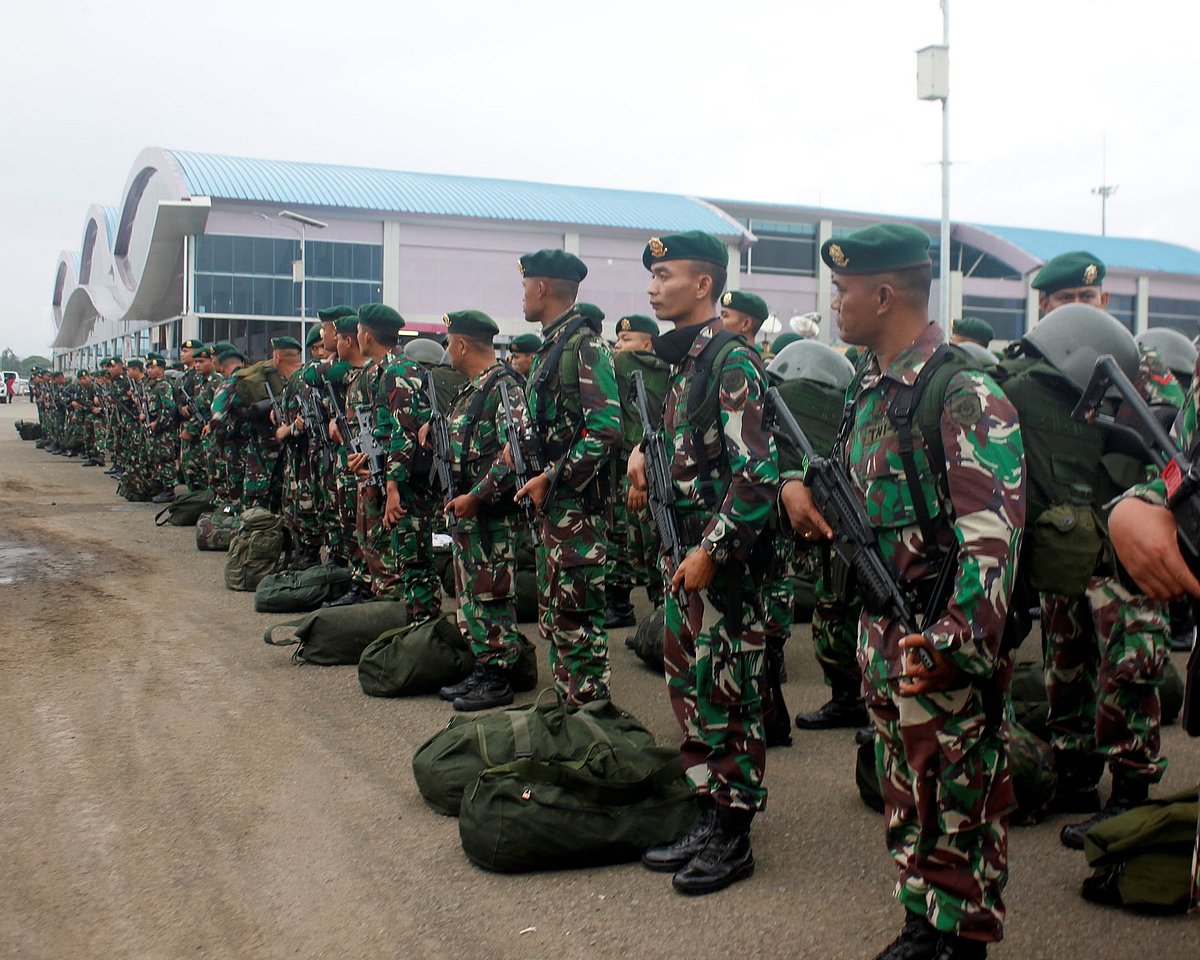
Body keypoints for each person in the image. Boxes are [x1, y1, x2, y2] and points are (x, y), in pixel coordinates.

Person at [781, 224, 1025, 959]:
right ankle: (923, 917)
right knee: (906, 791)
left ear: (884, 294)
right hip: (884, 634)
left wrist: (953, 645)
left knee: (957, 799)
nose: (833, 304)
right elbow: (850, 481)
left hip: (939, 639)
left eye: (843, 290)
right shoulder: (870, 387)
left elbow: (994, 537)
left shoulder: (962, 394)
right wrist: (799, 485)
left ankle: (961, 936)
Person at [630, 230, 778, 895]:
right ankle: (706, 808)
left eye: (665, 274)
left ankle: (734, 831)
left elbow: (758, 476)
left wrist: (711, 551)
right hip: (686, 558)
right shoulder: (687, 364)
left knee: (728, 696)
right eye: (652, 275)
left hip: (724, 566)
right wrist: (644, 447)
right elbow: (692, 448)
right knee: (689, 690)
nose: (653, 285)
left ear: (704, 285)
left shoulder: (730, 360)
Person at [1028, 252, 1174, 847]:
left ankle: (1132, 792)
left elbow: (1170, 450)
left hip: (1127, 547)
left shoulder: (1146, 370)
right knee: (1067, 660)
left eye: (1087, 301)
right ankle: (1075, 776)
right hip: (1068, 545)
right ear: (1044, 308)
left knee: (1130, 665)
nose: (1077, 312)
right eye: (1064, 302)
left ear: (1106, 303)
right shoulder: (1037, 373)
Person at [511, 249, 621, 707]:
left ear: (541, 288)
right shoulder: (553, 346)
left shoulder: (584, 346)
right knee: (557, 616)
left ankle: (589, 718)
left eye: (525, 286)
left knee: (578, 621)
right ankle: (570, 709)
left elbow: (606, 428)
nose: (522, 295)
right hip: (556, 509)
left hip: (577, 510)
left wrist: (551, 477)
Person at [425, 310, 528, 710]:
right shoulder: (474, 389)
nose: (448, 350)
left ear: (463, 344)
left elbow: (515, 450)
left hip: (489, 513)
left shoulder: (504, 388)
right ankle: (486, 664)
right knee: (471, 592)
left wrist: (478, 495)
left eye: (450, 342)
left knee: (491, 593)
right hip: (469, 511)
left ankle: (499, 676)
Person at [607, 314, 668, 627]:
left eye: (626, 340)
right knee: (637, 546)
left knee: (652, 545)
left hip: (646, 472)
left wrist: (638, 481)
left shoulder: (645, 371)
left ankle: (662, 622)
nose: (619, 346)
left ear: (647, 344)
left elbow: (645, 423)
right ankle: (656, 621)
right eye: (618, 340)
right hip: (634, 471)